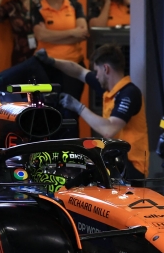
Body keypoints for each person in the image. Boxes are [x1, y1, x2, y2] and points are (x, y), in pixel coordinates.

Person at [42, 45, 149, 180]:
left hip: (132, 168)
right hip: (114, 161)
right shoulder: (109, 89)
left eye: (96, 71)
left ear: (105, 69)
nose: (96, 76)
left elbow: (109, 129)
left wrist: (78, 107)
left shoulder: (129, 93)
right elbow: (79, 71)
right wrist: (52, 61)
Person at [32, 0, 89, 135]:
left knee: (71, 112)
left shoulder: (75, 6)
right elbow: (41, 34)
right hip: (47, 66)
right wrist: (72, 32)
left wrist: (53, 35)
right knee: (48, 112)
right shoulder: (39, 8)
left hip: (73, 67)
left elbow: (83, 33)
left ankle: (72, 151)